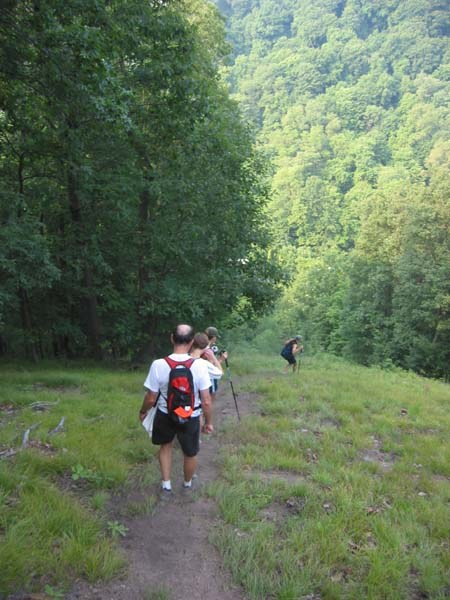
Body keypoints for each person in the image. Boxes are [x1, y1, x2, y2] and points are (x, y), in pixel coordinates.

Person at [139, 324, 213, 497]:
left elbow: (151, 397)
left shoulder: (158, 364)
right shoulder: (200, 366)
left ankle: (166, 486)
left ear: (172, 338)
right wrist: (208, 422)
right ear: (192, 341)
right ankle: (187, 485)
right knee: (190, 452)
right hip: (191, 415)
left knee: (165, 446)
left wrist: (143, 411)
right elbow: (207, 400)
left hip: (166, 414)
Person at [201, 326, 227, 401]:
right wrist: (221, 359)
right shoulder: (208, 350)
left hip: (202, 376)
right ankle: (207, 412)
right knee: (209, 399)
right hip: (209, 378)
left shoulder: (200, 347)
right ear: (213, 337)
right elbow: (212, 367)